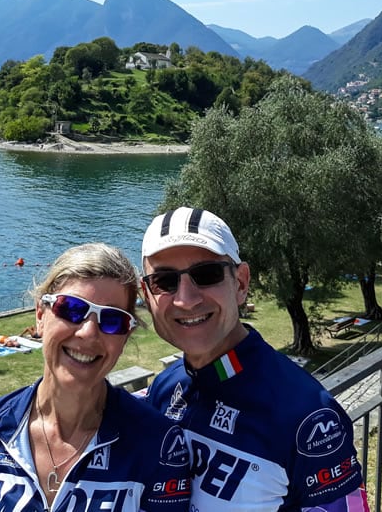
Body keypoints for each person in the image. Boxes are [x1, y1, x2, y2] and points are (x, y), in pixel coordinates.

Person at [0, 243, 192, 512]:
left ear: (125, 336)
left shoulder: (158, 445)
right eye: (71, 309)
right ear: (40, 315)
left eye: (112, 320)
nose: (88, 333)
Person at [141, 207, 370, 512]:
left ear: (241, 283)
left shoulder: (308, 415)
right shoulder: (164, 388)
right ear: (146, 295)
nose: (186, 299)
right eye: (164, 281)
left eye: (207, 274)